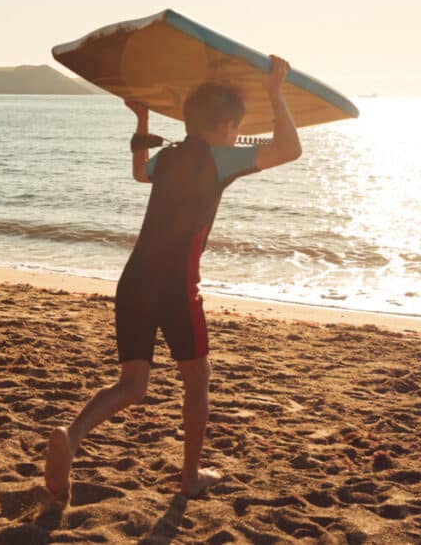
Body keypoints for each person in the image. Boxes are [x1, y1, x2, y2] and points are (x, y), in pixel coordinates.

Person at [44, 55, 301, 500]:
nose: (238, 137)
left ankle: (71, 435)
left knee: (132, 384)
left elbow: (138, 170)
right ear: (224, 126)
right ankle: (190, 476)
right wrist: (276, 91)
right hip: (176, 287)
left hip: (134, 280)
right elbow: (289, 149)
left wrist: (143, 118)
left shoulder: (168, 156)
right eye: (237, 128)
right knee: (197, 379)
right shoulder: (222, 158)